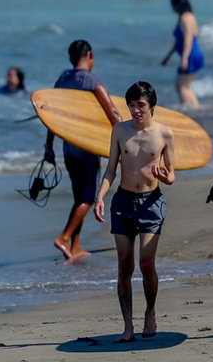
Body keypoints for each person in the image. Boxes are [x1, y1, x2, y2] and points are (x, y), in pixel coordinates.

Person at [94, 81, 175, 341]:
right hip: (123, 203)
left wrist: (164, 176)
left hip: (151, 203)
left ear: (152, 106)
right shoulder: (119, 131)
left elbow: (171, 175)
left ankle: (150, 312)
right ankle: (127, 326)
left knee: (146, 263)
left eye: (140, 104)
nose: (136, 110)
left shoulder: (164, 134)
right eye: (131, 105)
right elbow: (110, 170)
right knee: (125, 266)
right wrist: (100, 196)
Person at [44, 40, 122, 260]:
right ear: (90, 55)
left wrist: (48, 146)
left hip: (68, 147)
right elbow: (113, 114)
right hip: (87, 147)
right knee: (87, 198)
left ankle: (76, 246)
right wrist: (129, 138)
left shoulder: (62, 80)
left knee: (80, 196)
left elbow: (50, 116)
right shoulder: (92, 81)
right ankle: (64, 237)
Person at [161, 0, 205, 109]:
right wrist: (168, 57)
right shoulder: (189, 16)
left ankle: (188, 110)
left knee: (180, 86)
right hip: (194, 53)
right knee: (185, 85)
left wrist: (185, 58)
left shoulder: (185, 18)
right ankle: (195, 108)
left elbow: (188, 38)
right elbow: (178, 42)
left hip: (191, 54)